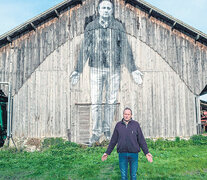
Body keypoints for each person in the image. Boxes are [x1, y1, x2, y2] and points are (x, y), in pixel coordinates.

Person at [70, 0, 143, 145]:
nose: (105, 10)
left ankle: (107, 130)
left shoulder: (118, 27)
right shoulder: (91, 27)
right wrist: (78, 70)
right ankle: (96, 133)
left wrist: (133, 69)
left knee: (110, 102)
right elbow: (85, 48)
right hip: (96, 69)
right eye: (103, 7)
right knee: (96, 102)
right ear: (98, 10)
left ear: (112, 11)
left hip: (114, 69)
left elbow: (125, 48)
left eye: (108, 8)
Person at [101, 107, 153, 180]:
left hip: (134, 154)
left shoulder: (136, 125)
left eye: (128, 114)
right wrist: (107, 152)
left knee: (133, 176)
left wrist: (146, 152)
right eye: (125, 114)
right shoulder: (118, 125)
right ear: (123, 114)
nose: (127, 116)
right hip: (122, 154)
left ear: (131, 115)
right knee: (124, 176)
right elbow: (113, 140)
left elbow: (141, 140)